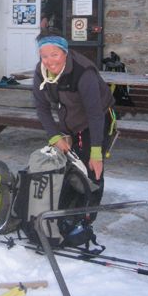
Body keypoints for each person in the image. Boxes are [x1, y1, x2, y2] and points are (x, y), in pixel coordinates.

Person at [32, 30, 115, 201]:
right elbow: (42, 107)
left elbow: (95, 114)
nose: (49, 61)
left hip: (96, 121)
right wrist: (55, 136)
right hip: (68, 120)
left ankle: (86, 218)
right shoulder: (41, 72)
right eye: (44, 56)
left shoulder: (84, 72)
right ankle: (66, 215)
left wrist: (96, 152)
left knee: (91, 171)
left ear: (65, 52)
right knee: (67, 168)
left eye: (54, 54)